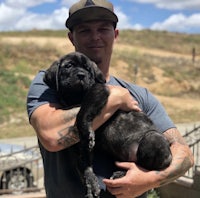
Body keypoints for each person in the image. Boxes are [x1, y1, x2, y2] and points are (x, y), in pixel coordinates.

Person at [26, 0, 194, 197]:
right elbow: (51, 136)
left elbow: (185, 154)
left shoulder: (139, 95)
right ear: (72, 38)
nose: (95, 37)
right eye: (84, 30)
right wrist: (112, 99)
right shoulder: (52, 83)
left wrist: (150, 179)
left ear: (115, 35)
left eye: (103, 29)